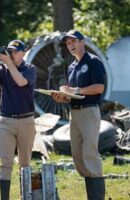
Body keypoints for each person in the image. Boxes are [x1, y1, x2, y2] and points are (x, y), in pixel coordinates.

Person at [52, 30, 105, 199]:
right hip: (73, 115)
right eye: (68, 43)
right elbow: (74, 95)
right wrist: (63, 97)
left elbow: (99, 88)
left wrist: (75, 90)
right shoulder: (71, 67)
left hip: (89, 112)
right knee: (77, 156)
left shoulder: (93, 61)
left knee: (90, 153)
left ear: (82, 42)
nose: (71, 45)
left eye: (73, 41)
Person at [0, 39, 36, 200]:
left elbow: (21, 82)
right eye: (10, 51)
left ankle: (24, 196)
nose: (11, 54)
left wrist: (7, 63)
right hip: (6, 122)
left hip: (26, 121)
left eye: (15, 51)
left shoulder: (30, 68)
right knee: (5, 163)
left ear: (23, 53)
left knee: (25, 163)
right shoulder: (3, 69)